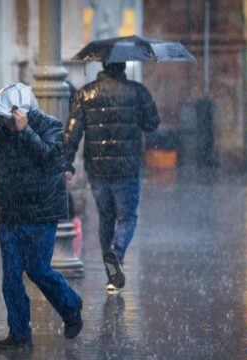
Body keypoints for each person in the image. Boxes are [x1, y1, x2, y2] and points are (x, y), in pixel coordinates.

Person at [0, 98, 83, 350]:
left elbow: (50, 158)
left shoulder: (49, 126)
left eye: (7, 115)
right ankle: (19, 334)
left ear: (21, 110)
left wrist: (26, 131)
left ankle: (70, 307)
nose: (4, 121)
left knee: (38, 270)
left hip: (41, 212)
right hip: (11, 213)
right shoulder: (1, 131)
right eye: (1, 116)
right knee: (11, 277)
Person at [64, 62, 160, 294]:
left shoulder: (85, 93)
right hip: (127, 167)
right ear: (123, 66)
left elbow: (72, 130)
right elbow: (152, 124)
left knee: (106, 219)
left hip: (97, 168)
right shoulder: (137, 91)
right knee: (127, 217)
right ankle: (116, 254)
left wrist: (66, 162)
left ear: (103, 66)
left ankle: (112, 277)